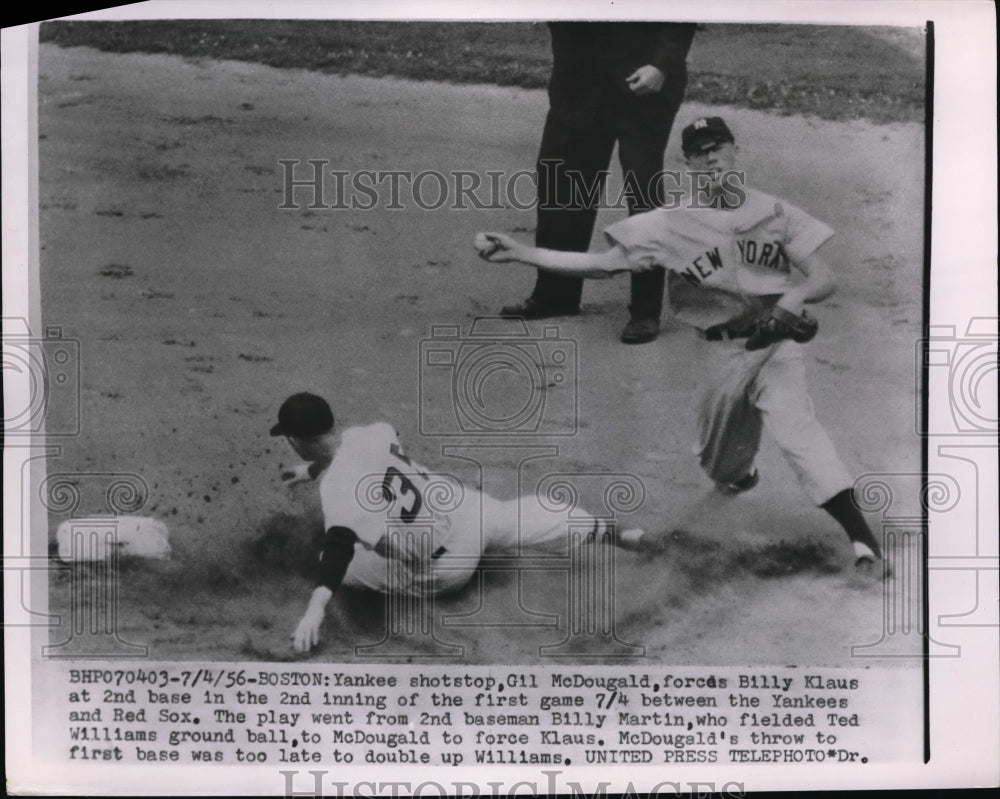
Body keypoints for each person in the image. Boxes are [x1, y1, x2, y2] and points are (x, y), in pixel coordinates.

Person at [478, 116, 885, 571]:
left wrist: (795, 295)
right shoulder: (668, 224)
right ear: (686, 163)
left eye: (719, 147)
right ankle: (739, 473)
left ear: (736, 151)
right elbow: (601, 265)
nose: (711, 157)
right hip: (719, 352)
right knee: (721, 468)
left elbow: (825, 277)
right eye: (700, 151)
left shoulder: (774, 212)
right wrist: (523, 252)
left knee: (799, 433)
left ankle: (862, 541)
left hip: (775, 348)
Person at [269, 392, 645, 652]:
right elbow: (361, 457)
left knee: (330, 555)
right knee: (517, 516)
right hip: (465, 513)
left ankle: (387, 566)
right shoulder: (373, 432)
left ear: (296, 440)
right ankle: (616, 532)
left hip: (444, 569)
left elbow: (336, 552)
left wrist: (314, 611)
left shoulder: (336, 489)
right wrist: (316, 467)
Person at [499, 21, 697, 344]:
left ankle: (645, 311)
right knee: (561, 177)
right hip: (577, 80)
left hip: (644, 79)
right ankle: (555, 293)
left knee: (642, 189)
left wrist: (662, 65)